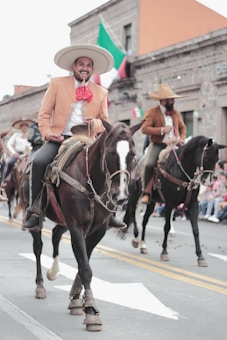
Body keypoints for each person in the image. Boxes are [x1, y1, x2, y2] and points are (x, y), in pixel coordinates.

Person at [23, 43, 126, 231]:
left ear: (92, 69)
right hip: (60, 137)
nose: (85, 68)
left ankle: (110, 212)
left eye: (88, 65)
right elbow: (44, 114)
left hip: (87, 140)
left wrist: (92, 124)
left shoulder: (101, 92)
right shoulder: (57, 84)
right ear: (74, 66)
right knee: (38, 162)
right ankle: (35, 211)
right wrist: (47, 134)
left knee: (109, 164)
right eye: (81, 64)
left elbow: (104, 121)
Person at [140, 83, 187, 204]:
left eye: (173, 99)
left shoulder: (176, 113)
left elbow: (182, 128)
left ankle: (187, 189)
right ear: (163, 101)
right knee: (149, 164)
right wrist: (161, 130)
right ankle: (146, 192)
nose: (173, 101)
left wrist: (181, 138)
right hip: (158, 144)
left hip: (175, 144)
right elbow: (144, 129)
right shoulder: (152, 112)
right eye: (170, 99)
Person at [2, 118, 33, 186]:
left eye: (26, 126)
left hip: (29, 154)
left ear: (27, 127)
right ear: (21, 127)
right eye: (23, 126)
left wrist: (30, 150)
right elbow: (9, 144)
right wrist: (14, 153)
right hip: (18, 154)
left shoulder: (30, 136)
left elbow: (33, 145)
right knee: (10, 163)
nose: (24, 127)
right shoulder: (16, 135)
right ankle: (5, 180)